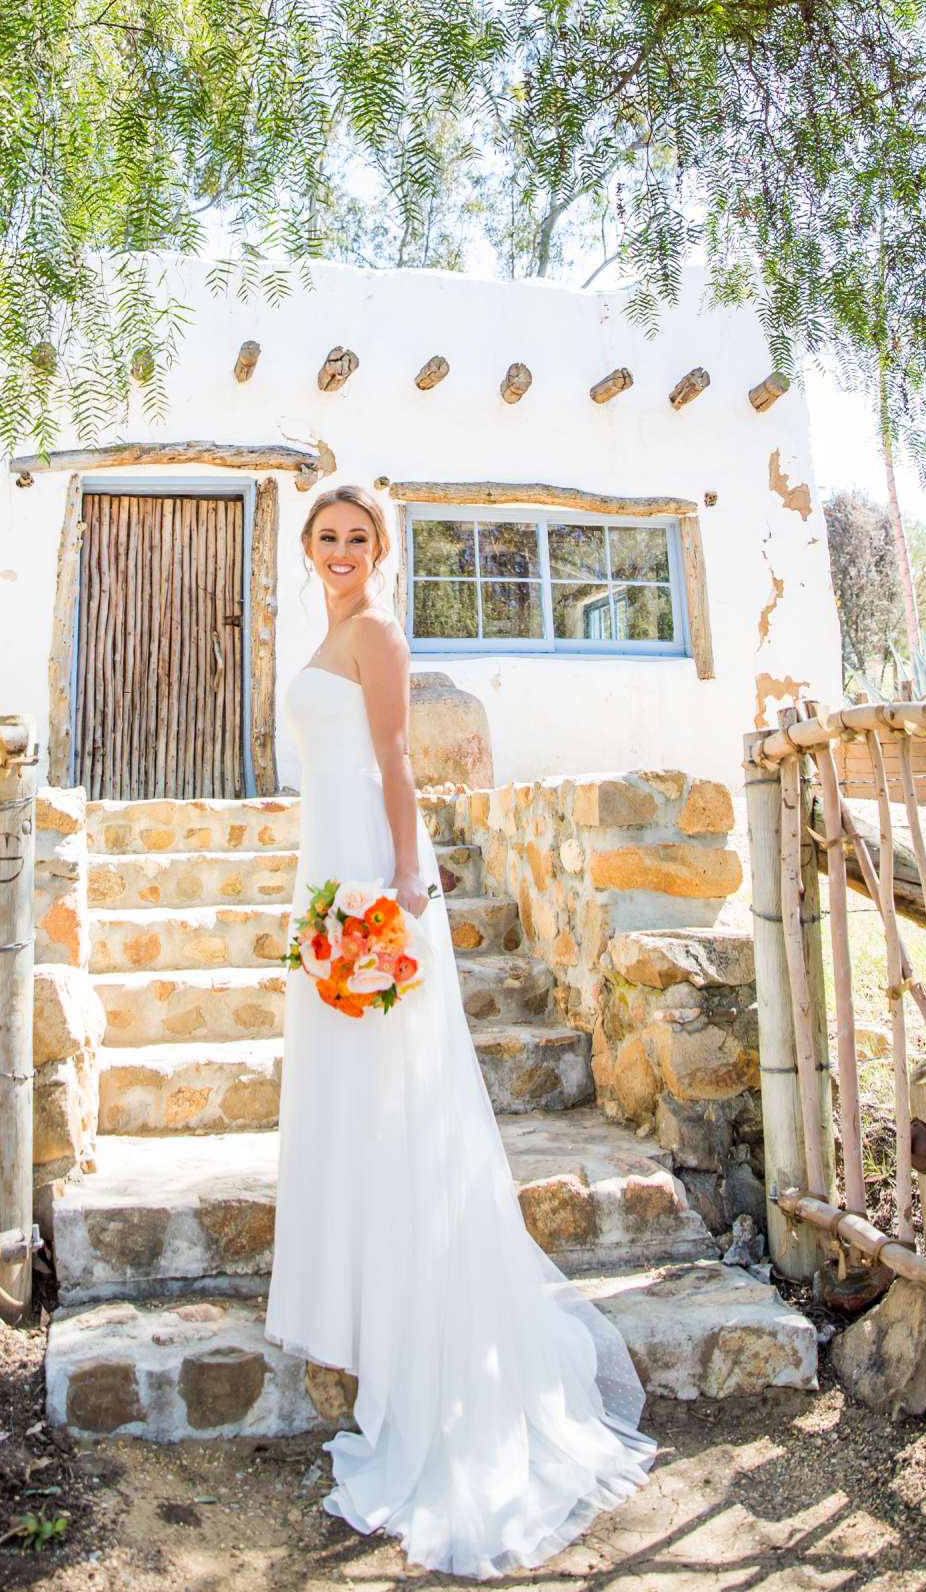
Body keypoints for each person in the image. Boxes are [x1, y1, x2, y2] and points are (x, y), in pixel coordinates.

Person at [266, 485, 656, 1578]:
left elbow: (396, 761)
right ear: (308, 550)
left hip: (371, 874)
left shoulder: (379, 632)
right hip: (324, 866)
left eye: (357, 538)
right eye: (326, 538)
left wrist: (399, 882)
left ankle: (422, 1335)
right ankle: (368, 1300)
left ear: (380, 549)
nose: (341, 552)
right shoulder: (329, 632)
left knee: (398, 1088)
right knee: (349, 1087)